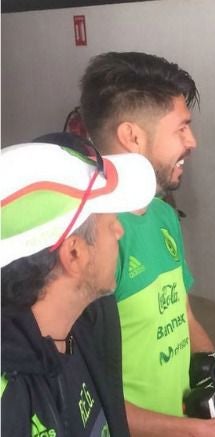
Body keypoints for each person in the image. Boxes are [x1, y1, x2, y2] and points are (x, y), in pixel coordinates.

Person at [79, 51, 215, 435]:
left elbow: (184, 317)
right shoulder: (88, 245)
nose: (192, 141)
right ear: (132, 136)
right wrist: (197, 431)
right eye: (181, 128)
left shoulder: (163, 215)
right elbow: (88, 398)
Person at [1, 137, 156, 436]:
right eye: (109, 220)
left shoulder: (80, 328)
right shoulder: (7, 405)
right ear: (74, 253)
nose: (120, 230)